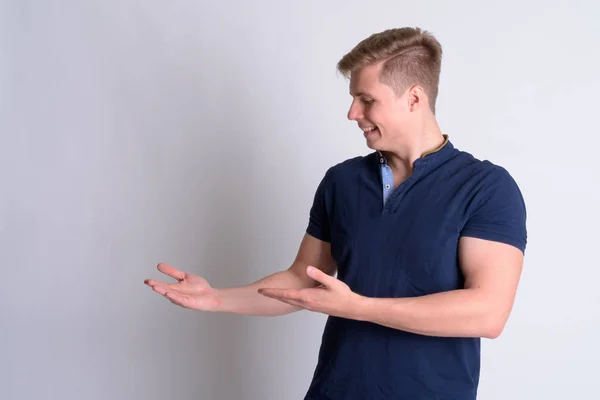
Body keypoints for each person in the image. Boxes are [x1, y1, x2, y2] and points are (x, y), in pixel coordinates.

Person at [144, 27, 527, 400]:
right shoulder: (341, 181)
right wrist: (216, 299)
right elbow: (303, 280)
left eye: (366, 99)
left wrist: (359, 308)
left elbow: (487, 313)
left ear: (414, 99)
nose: (352, 113)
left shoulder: (485, 187)